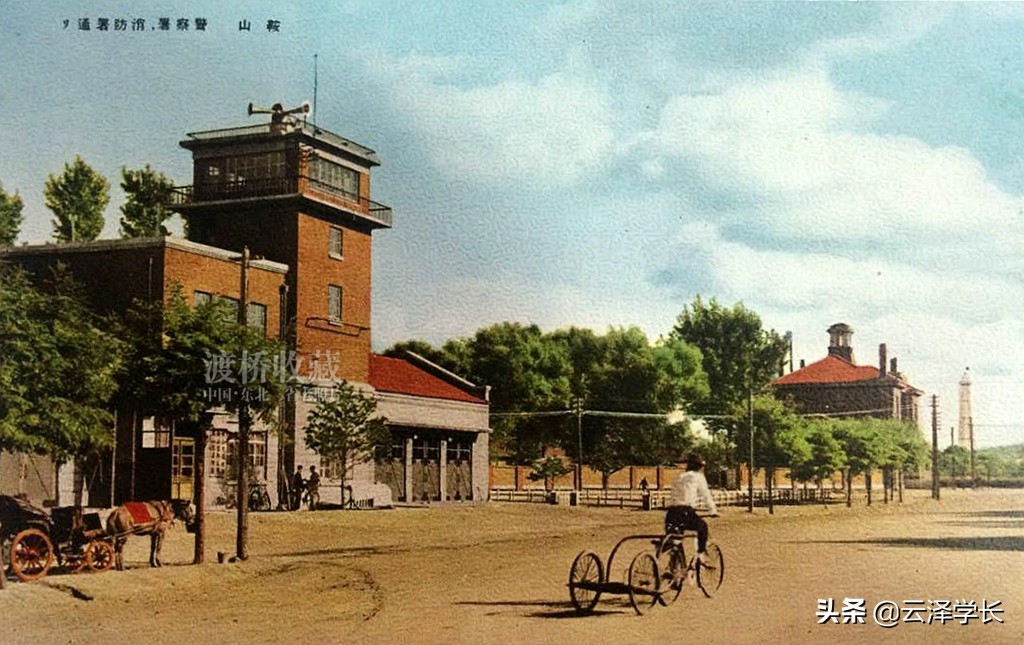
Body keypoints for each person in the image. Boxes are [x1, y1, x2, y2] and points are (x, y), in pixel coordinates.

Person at [665, 453, 718, 564]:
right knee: (703, 527)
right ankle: (701, 553)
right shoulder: (698, 477)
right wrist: (712, 510)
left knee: (676, 540)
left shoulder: (679, 477)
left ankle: (674, 566)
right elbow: (706, 495)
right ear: (700, 467)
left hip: (671, 513)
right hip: (685, 512)